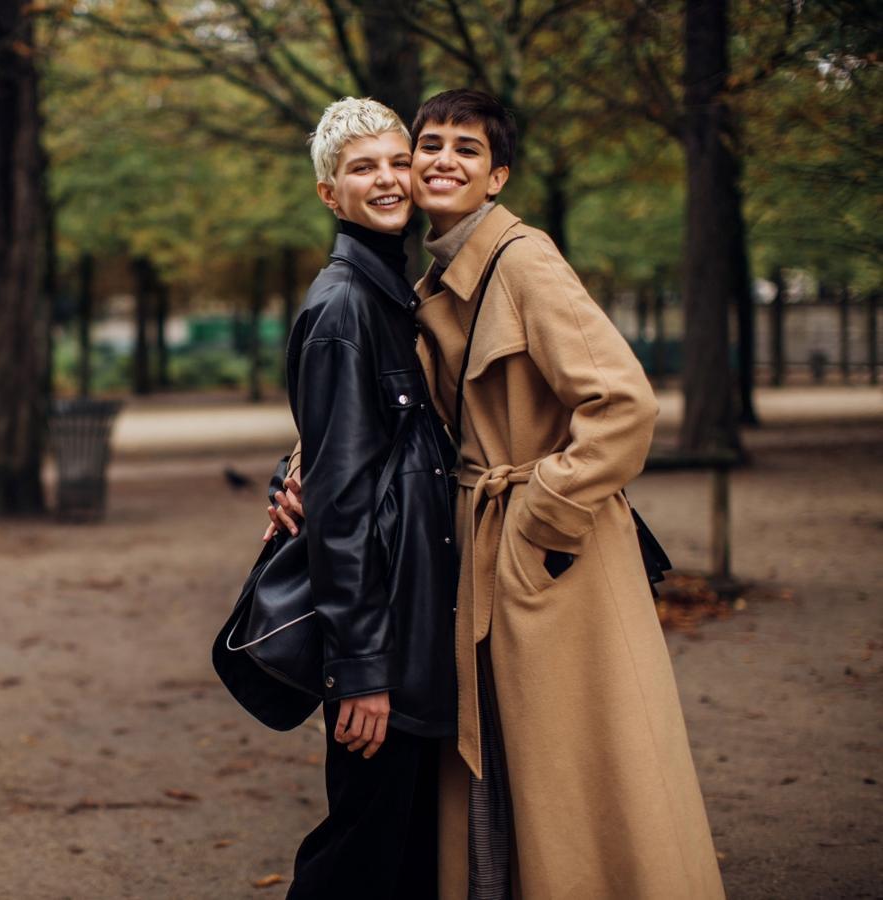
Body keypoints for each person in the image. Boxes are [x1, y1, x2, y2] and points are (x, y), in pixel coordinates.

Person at [274, 89, 726, 899]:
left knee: (578, 772)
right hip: (478, 558)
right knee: (509, 777)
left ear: (498, 177)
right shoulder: (425, 283)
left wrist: (537, 519)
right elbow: (390, 411)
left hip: (550, 565)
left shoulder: (522, 260)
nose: (440, 159)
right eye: (430, 143)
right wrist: (299, 465)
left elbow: (623, 405)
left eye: (468, 150)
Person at [277, 97, 460, 899]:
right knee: (359, 856)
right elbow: (343, 508)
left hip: (416, 618)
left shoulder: (398, 293)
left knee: (410, 852)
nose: (387, 180)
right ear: (329, 193)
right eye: (362, 168)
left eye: (396, 162)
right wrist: (362, 671)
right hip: (384, 636)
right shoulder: (347, 306)